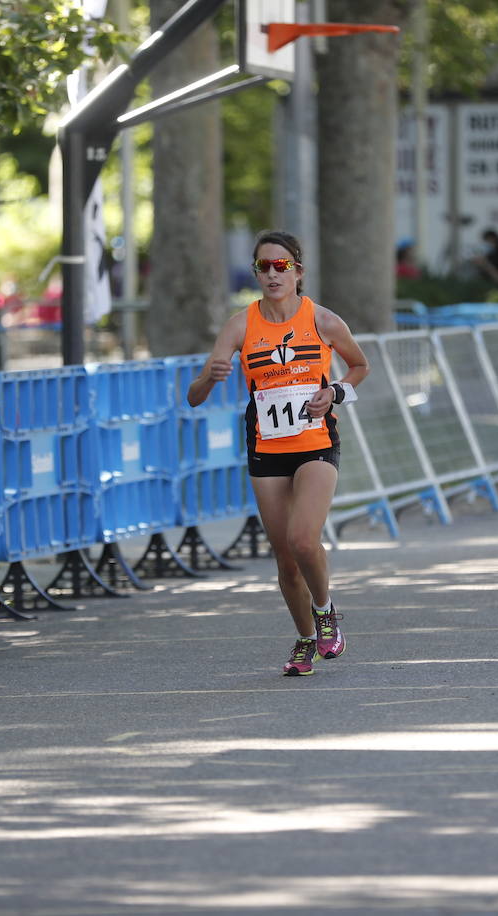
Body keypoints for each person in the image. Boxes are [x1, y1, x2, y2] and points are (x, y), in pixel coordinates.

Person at [186, 230, 369, 677]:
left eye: (281, 265)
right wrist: (210, 378)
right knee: (285, 559)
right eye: (263, 266)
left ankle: (325, 611)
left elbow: (359, 366)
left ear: (298, 272)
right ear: (255, 272)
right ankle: (306, 637)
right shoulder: (240, 325)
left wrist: (337, 393)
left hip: (316, 443)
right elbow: (193, 397)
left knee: (304, 539)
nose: (272, 273)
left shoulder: (322, 320)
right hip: (267, 447)